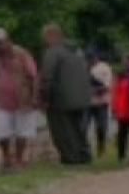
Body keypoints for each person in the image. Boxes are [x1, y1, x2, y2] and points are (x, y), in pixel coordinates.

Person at [0, 27, 39, 171]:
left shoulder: (22, 54)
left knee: (22, 131)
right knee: (1, 132)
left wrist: (35, 97)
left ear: (8, 40)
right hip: (2, 100)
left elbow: (34, 77)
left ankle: (19, 159)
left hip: (23, 99)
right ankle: (6, 158)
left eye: (0, 42)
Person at [39, 23, 93, 165]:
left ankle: (70, 157)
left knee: (62, 130)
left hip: (61, 98)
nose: (44, 41)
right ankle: (84, 154)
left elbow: (47, 78)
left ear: (51, 36)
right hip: (82, 97)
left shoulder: (53, 52)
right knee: (78, 129)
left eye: (45, 37)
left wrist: (44, 98)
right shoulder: (77, 51)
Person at [86, 50, 113, 159]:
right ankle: (86, 150)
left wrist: (94, 89)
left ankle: (101, 148)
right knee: (83, 127)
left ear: (96, 57)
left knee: (101, 127)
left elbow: (107, 86)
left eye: (91, 58)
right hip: (87, 102)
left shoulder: (104, 68)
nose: (90, 61)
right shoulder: (85, 68)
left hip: (101, 101)